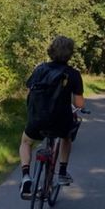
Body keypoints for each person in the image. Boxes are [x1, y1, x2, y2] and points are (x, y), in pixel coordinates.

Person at [19, 35, 85, 197]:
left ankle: (26, 176)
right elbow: (79, 104)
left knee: (26, 142)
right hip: (61, 120)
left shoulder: (40, 69)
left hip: (37, 118)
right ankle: (62, 171)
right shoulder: (73, 74)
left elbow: (30, 93)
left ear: (51, 51)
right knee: (66, 138)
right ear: (69, 54)